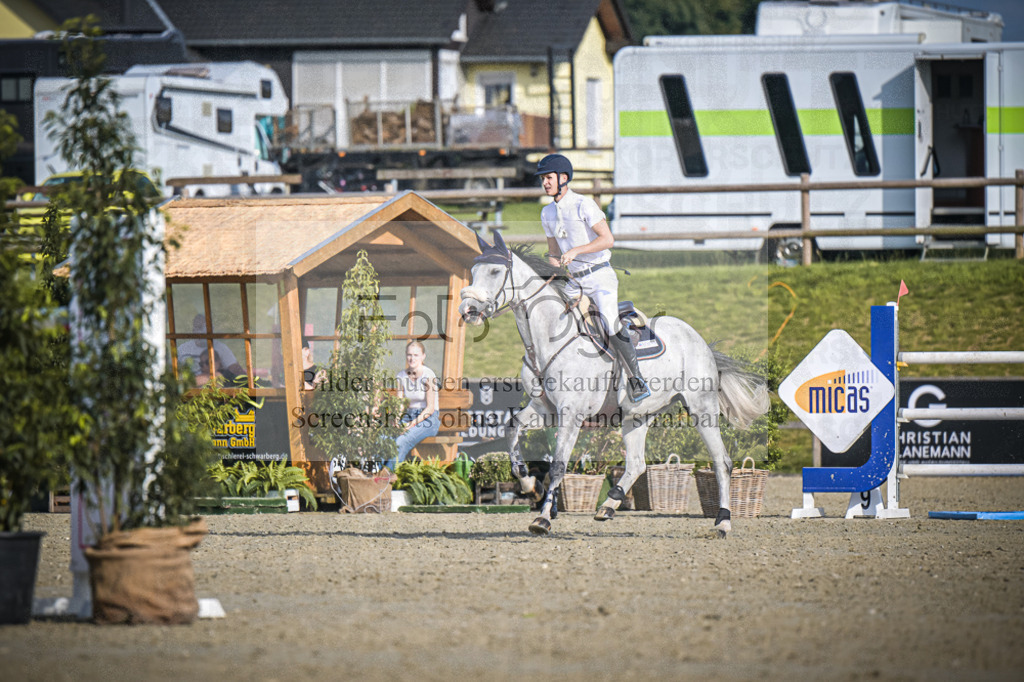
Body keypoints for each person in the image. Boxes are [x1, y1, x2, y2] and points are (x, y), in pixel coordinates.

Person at [536, 153, 650, 402]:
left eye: (548, 178)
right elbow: (553, 252)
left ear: (563, 178)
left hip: (599, 277)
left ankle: (637, 379)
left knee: (609, 322)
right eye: (543, 179)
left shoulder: (583, 205)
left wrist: (576, 251)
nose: (545, 183)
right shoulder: (547, 213)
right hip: (574, 281)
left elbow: (608, 239)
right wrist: (555, 276)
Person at [382, 340, 441, 472]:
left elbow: (430, 408)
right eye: (409, 355)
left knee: (401, 441)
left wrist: (411, 424)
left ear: (423, 356)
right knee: (384, 439)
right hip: (408, 416)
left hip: (427, 419)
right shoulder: (401, 376)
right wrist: (397, 419)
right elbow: (400, 404)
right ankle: (372, 475)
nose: (412, 358)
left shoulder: (428, 375)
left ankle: (386, 477)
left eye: (416, 355)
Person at [177, 314, 245, 383]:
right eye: (195, 328)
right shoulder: (182, 349)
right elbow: (173, 372)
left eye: (201, 327)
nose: (198, 332)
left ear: (211, 329)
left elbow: (236, 370)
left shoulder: (221, 348)